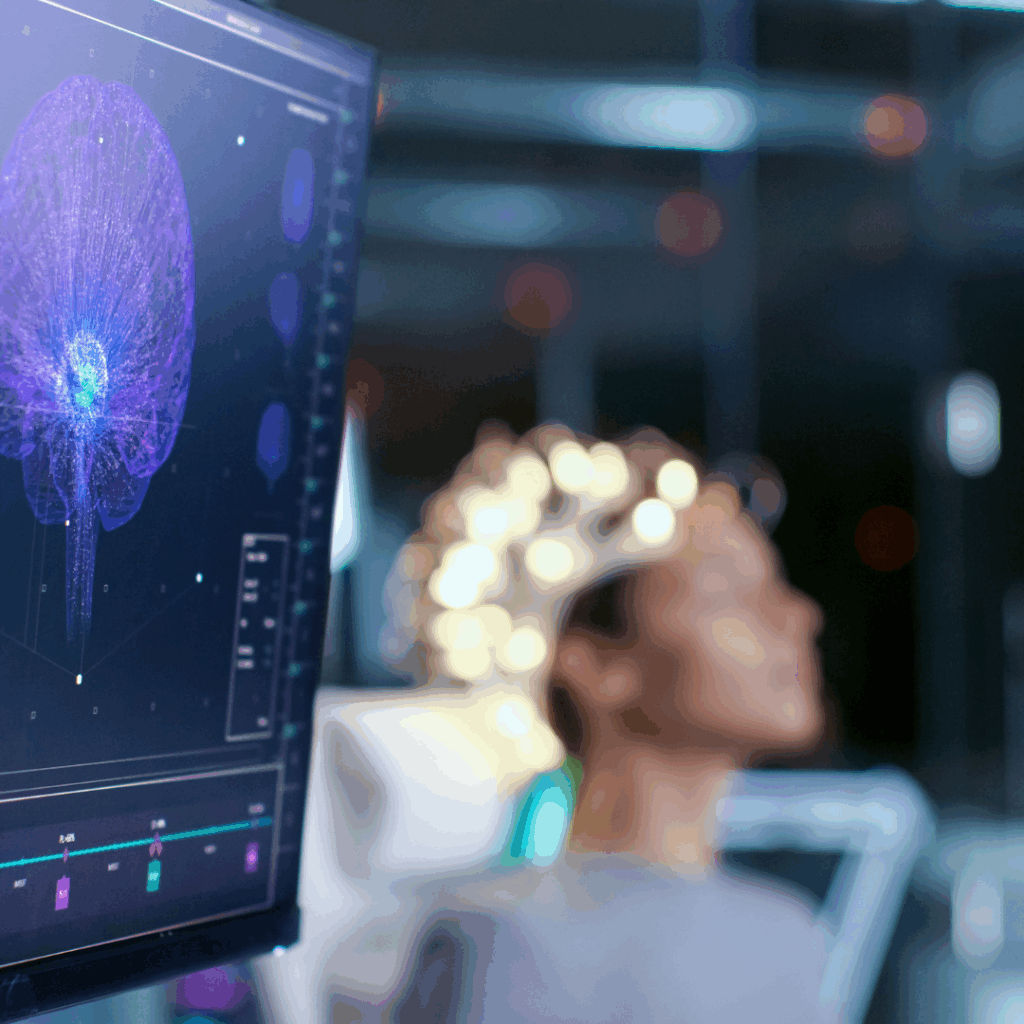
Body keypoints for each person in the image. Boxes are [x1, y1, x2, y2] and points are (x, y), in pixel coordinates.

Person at [320, 421, 839, 1024]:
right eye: (732, 593)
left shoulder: (787, 933)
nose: (798, 616)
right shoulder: (503, 939)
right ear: (594, 664)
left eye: (777, 587)